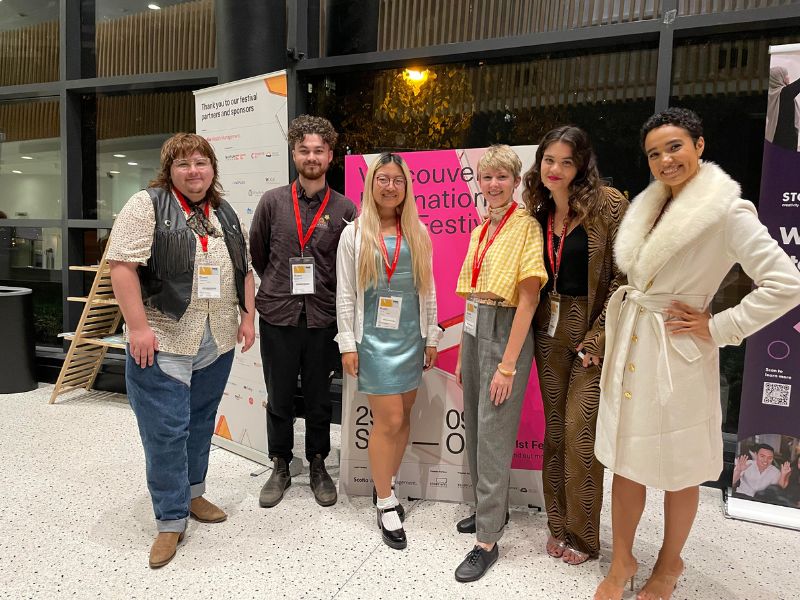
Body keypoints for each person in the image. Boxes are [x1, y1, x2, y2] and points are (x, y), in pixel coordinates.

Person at [593, 107, 800, 600]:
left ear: (700, 145)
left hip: (679, 353)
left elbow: (786, 283)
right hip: (634, 342)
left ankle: (669, 563)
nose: (665, 160)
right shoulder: (653, 206)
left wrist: (719, 325)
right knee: (626, 459)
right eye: (654, 153)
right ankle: (622, 559)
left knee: (679, 467)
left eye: (675, 147)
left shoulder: (726, 210)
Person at [108, 133, 255, 568]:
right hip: (163, 337)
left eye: (201, 163)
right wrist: (137, 327)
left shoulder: (224, 212)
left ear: (213, 168)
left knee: (199, 421)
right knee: (166, 431)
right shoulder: (147, 204)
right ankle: (169, 520)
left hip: (216, 339)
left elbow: (243, 268)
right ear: (169, 169)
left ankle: (192, 494)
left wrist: (246, 317)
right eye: (184, 164)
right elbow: (122, 266)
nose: (194, 171)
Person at [522, 126, 628, 566]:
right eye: (550, 160)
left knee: (581, 436)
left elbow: (626, 277)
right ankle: (557, 526)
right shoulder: (539, 205)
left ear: (583, 163)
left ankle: (584, 537)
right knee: (554, 433)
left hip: (592, 329)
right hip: (550, 328)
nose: (557, 169)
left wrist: (598, 337)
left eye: (567, 161)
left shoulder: (610, 205)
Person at [250, 115, 357, 509]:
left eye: (318, 151)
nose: (311, 157)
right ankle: (279, 463)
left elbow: (349, 266)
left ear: (330, 155)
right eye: (303, 150)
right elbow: (259, 254)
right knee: (278, 396)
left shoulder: (346, 208)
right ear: (293, 153)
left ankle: (317, 463)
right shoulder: (272, 202)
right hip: (278, 315)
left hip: (323, 320)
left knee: (317, 398)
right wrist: (280, 286)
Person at [335, 152, 440, 550]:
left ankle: (388, 483)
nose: (390, 186)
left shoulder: (419, 232)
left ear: (406, 186)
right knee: (389, 419)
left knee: (405, 416)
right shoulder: (354, 233)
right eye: (383, 179)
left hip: (410, 339)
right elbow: (345, 293)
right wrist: (348, 343)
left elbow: (427, 290)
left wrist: (431, 338)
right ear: (371, 184)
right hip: (373, 342)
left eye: (398, 179)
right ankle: (384, 500)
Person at [453, 144, 547, 582]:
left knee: (492, 434)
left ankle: (487, 540)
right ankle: (490, 511)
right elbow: (473, 294)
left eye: (502, 177)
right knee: (475, 425)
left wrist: (508, 365)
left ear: (515, 181)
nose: (493, 184)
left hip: (506, 328)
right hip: (476, 329)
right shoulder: (480, 228)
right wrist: (463, 353)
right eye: (487, 177)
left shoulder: (525, 226)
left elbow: (529, 296)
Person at [766, 65, 800, 151]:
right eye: (786, 75)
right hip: (786, 141)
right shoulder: (784, 94)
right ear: (779, 78)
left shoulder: (772, 94)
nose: (788, 77)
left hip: (774, 138)